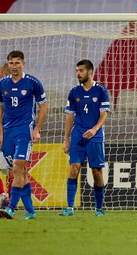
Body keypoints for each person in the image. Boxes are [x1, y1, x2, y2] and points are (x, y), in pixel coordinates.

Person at [0, 51, 48, 219]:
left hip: (24, 131)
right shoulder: (2, 84)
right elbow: (0, 108)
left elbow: (44, 107)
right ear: (8, 64)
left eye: (17, 63)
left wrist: (37, 129)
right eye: (12, 63)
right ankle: (31, 212)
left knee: (19, 164)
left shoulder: (32, 83)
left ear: (23, 64)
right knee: (19, 172)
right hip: (8, 132)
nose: (14, 66)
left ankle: (11, 207)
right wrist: (0, 130)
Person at [59, 59, 110, 217]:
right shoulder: (74, 92)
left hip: (95, 137)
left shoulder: (101, 90)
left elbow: (104, 114)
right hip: (77, 136)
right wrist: (66, 139)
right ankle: (69, 208)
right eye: (77, 71)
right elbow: (69, 116)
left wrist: (94, 129)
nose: (78, 74)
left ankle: (99, 208)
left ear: (90, 72)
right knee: (74, 169)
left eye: (81, 71)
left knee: (96, 172)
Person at [0, 63, 13, 208]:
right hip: (14, 134)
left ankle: (4, 196)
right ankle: (9, 200)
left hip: (3, 133)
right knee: (13, 169)